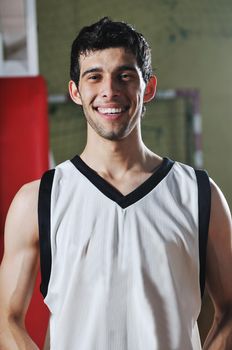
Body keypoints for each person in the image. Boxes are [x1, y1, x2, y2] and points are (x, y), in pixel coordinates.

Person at [0, 17, 231, 350]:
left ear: (148, 87)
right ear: (76, 91)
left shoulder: (198, 193)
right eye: (94, 76)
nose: (109, 89)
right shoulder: (38, 200)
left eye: (125, 75)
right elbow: (7, 318)